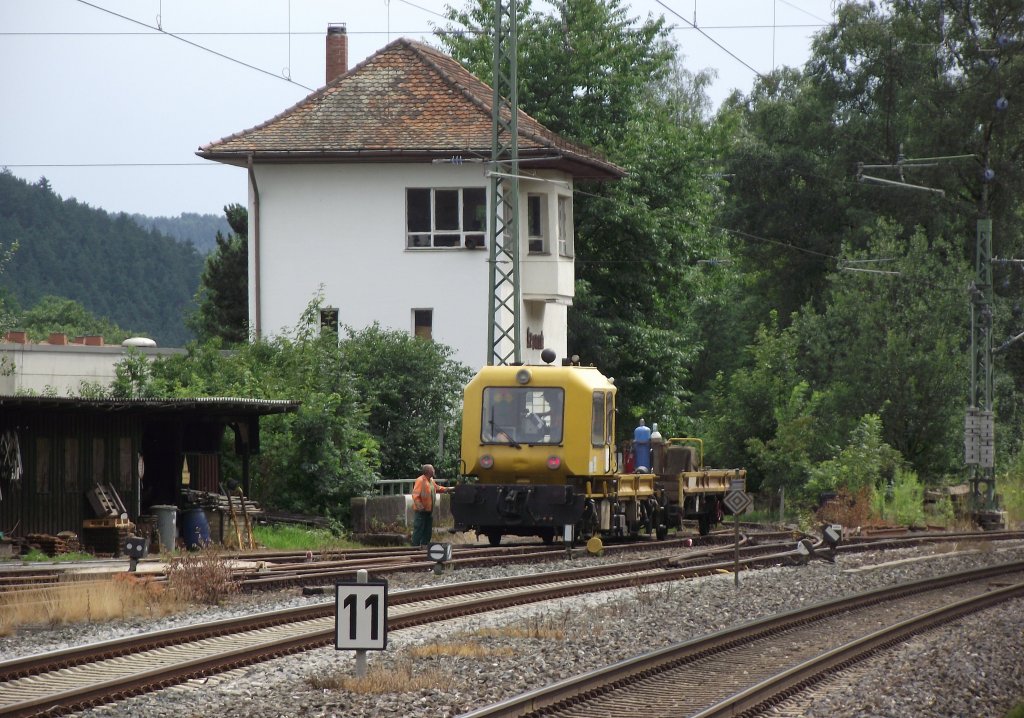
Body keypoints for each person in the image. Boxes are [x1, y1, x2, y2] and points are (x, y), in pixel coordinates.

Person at [411, 464, 449, 546]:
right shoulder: (420, 480)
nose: (434, 470)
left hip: (428, 511)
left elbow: (438, 488)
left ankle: (424, 546)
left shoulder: (431, 480)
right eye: (433, 469)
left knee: (427, 531)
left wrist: (449, 489)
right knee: (419, 529)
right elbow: (415, 495)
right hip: (421, 511)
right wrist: (420, 506)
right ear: (428, 471)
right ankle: (415, 547)